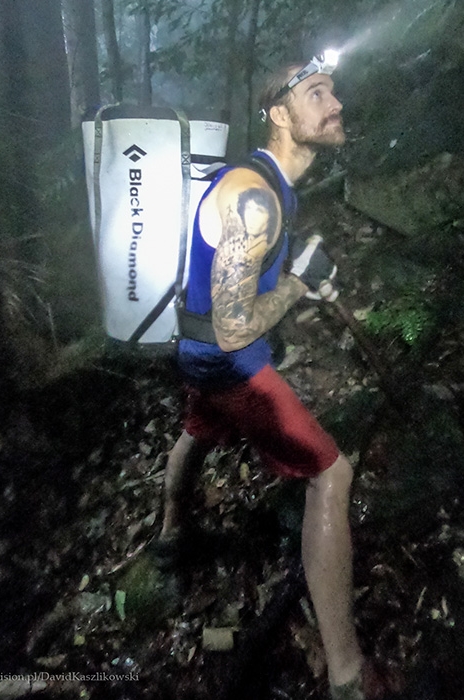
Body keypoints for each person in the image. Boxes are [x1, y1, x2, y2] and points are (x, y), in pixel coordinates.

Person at [156, 61, 388, 700]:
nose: (334, 102)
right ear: (281, 115)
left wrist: (293, 281)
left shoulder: (274, 185)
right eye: (317, 94)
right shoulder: (256, 198)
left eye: (333, 90)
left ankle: (173, 531)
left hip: (196, 353)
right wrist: (295, 284)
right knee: (330, 474)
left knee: (198, 428)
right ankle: (347, 674)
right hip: (227, 359)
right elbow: (235, 330)